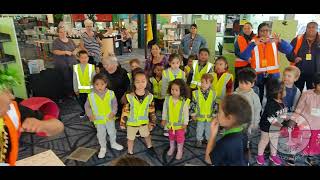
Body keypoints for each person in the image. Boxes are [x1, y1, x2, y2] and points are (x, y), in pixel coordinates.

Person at [0, 71, 64, 165]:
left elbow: (58, 126)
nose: (11, 96)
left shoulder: (13, 110)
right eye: (5, 91)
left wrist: (42, 124)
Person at [240, 22, 293, 101]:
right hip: (257, 75)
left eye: (267, 31)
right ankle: (259, 111)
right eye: (262, 31)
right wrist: (253, 45)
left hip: (273, 74)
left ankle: (269, 111)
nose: (265, 33)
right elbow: (244, 56)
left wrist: (280, 41)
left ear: (270, 32)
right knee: (257, 95)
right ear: (258, 32)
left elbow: (289, 50)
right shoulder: (253, 42)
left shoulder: (275, 41)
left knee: (272, 96)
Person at [205, 94, 251, 166]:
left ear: (229, 118)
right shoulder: (243, 132)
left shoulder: (225, 143)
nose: (216, 114)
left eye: (219, 112)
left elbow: (208, 159)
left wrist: (212, 135)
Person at [85, 73, 123, 159]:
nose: (100, 86)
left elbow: (114, 104)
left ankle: (113, 143)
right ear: (94, 85)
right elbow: (87, 106)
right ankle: (103, 147)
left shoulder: (111, 93)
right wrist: (90, 115)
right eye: (97, 84)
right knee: (101, 134)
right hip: (98, 119)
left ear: (106, 84)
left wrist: (113, 112)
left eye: (102, 84)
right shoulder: (91, 96)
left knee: (112, 131)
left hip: (109, 117)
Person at [120, 70, 157, 156]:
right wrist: (122, 122)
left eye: (143, 81)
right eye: (138, 82)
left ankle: (150, 147)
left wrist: (152, 122)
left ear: (147, 82)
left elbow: (151, 111)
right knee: (130, 139)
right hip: (132, 123)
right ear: (134, 83)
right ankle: (130, 152)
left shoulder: (150, 96)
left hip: (144, 122)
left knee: (147, 136)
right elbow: (125, 111)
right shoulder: (129, 96)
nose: (140, 84)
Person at [290, 72, 320, 166]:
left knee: (313, 142)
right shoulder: (307, 94)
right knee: (300, 140)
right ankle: (293, 156)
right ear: (314, 84)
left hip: (317, 125)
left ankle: (310, 157)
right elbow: (299, 107)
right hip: (304, 123)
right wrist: (294, 119)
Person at [256, 79, 286, 166]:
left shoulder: (281, 101)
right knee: (264, 140)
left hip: (276, 127)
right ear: (278, 92)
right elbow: (271, 118)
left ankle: (273, 155)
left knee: (274, 141)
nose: (285, 91)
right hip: (266, 127)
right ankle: (260, 155)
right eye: (284, 90)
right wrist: (280, 127)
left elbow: (282, 114)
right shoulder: (271, 104)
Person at [286, 22, 320, 92]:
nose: (311, 29)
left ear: (317, 29)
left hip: (315, 73)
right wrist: (294, 58)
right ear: (306, 28)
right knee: (296, 92)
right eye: (309, 27)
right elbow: (288, 51)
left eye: (313, 27)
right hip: (298, 72)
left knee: (313, 94)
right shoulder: (298, 39)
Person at [161, 79, 190, 160]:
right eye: (172, 89)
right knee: (171, 137)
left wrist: (185, 123)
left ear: (182, 91)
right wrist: (164, 119)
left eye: (176, 90)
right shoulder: (167, 99)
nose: (174, 92)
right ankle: (172, 147)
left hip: (180, 125)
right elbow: (165, 110)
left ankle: (180, 150)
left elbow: (186, 113)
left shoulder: (184, 102)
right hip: (170, 124)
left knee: (180, 138)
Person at [190, 73, 217, 147]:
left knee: (208, 129)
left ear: (210, 84)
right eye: (202, 82)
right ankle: (199, 139)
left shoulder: (213, 94)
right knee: (199, 129)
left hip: (209, 116)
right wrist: (193, 114)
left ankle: (208, 139)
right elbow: (193, 104)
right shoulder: (196, 93)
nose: (203, 84)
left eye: (206, 82)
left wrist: (215, 115)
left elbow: (215, 105)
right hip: (200, 116)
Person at [52, 26, 78, 98]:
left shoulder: (70, 40)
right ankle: (68, 94)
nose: (63, 33)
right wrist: (65, 52)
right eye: (61, 32)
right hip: (62, 63)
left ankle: (74, 91)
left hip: (72, 62)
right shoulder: (56, 42)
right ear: (58, 33)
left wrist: (75, 51)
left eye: (64, 32)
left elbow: (76, 48)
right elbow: (55, 51)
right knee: (66, 78)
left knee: (74, 77)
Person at [234, 67, 261, 135]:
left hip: (249, 124)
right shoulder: (234, 95)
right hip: (236, 124)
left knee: (246, 139)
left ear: (252, 84)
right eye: (241, 82)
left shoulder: (254, 96)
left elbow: (257, 110)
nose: (243, 86)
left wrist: (255, 123)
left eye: (246, 83)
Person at [73, 50, 95, 118]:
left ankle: (92, 112)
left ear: (88, 58)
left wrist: (95, 89)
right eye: (82, 57)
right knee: (82, 102)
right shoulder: (76, 67)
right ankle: (85, 111)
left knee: (91, 102)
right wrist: (75, 89)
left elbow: (94, 79)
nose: (84, 59)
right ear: (79, 58)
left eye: (85, 57)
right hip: (81, 90)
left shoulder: (91, 67)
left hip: (90, 90)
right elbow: (74, 79)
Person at [234, 22, 256, 89]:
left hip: (252, 65)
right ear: (243, 29)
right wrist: (247, 58)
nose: (247, 30)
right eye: (245, 28)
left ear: (252, 29)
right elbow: (237, 52)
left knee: (249, 83)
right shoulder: (239, 38)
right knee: (239, 83)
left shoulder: (256, 38)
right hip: (240, 66)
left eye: (248, 28)